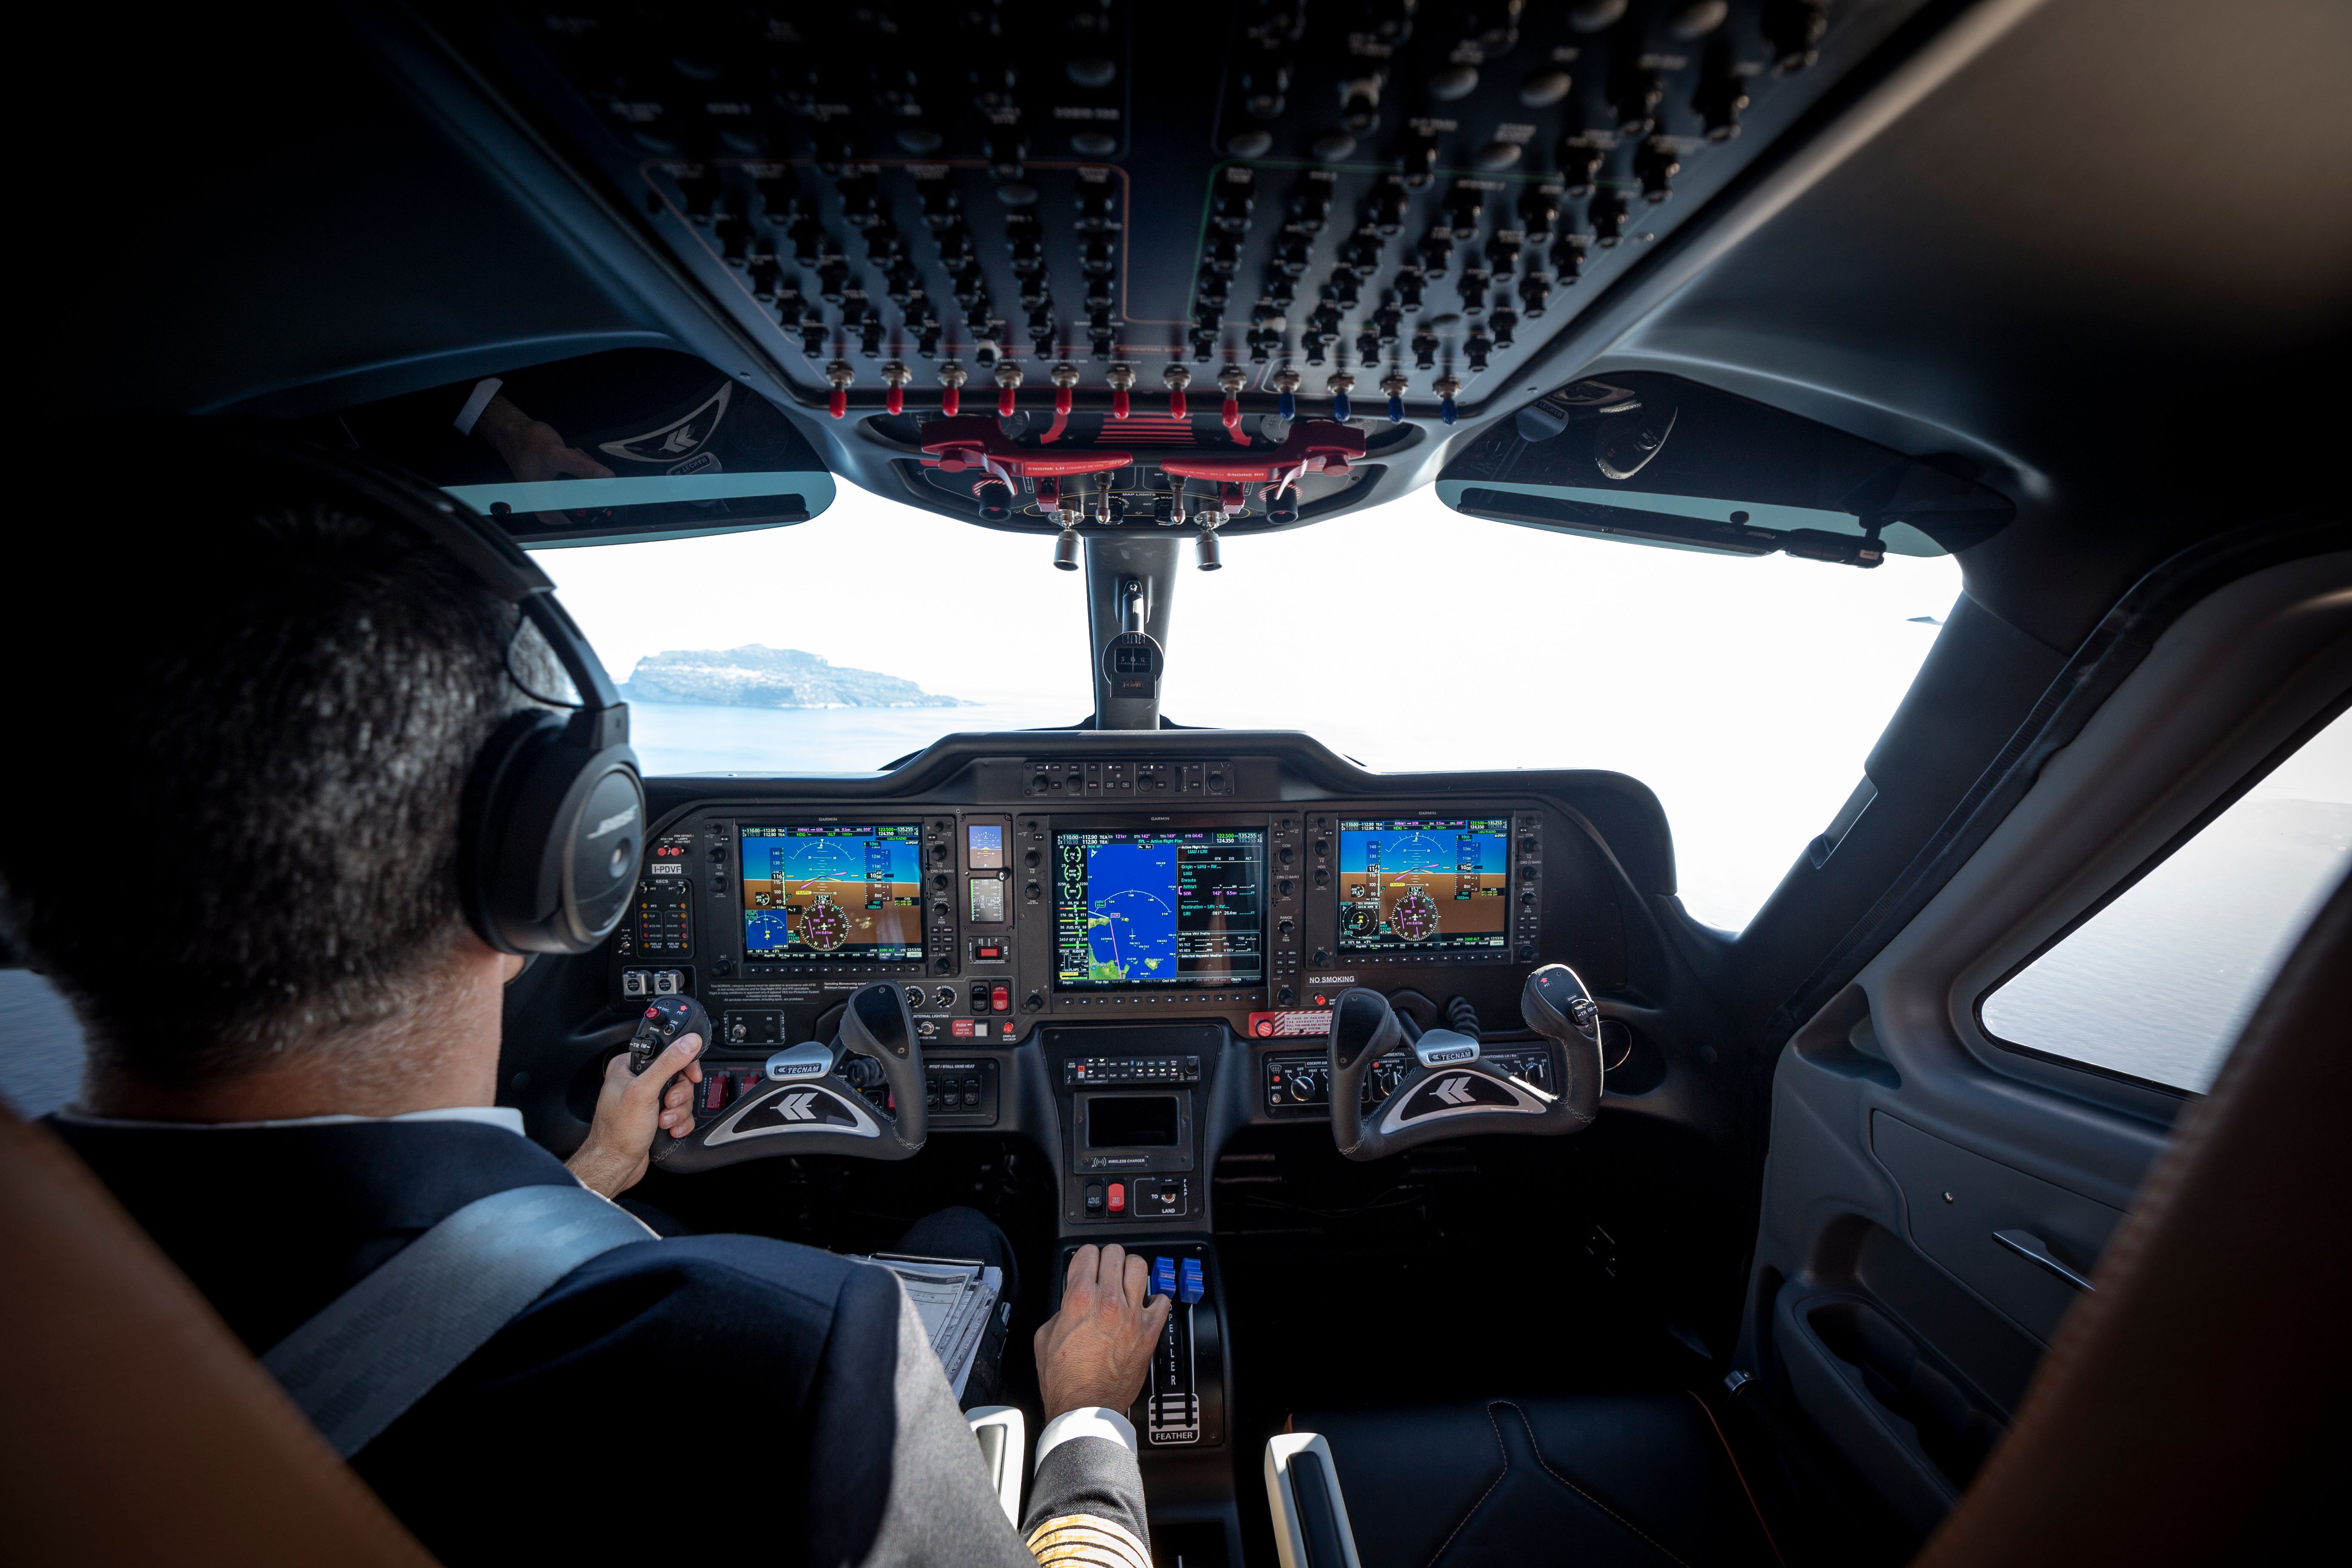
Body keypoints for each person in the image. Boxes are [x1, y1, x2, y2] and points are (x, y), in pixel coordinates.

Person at [1, 449, 1169, 1568]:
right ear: (547, 871)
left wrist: (595, 1175)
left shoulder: (40, 1302)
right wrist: (1088, 1421)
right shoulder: (798, 1364)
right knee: (967, 1242)